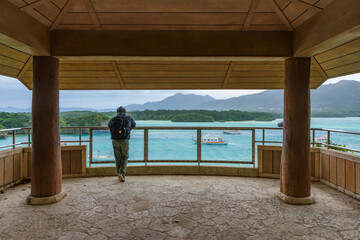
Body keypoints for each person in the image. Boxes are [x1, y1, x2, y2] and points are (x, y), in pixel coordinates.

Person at [108, 106, 136, 182]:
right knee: (125, 156)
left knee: (118, 157)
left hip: (114, 139)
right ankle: (121, 173)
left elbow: (109, 125)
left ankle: (119, 173)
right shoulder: (128, 118)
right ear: (125, 112)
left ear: (117, 112)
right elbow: (134, 125)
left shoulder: (113, 119)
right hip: (124, 139)